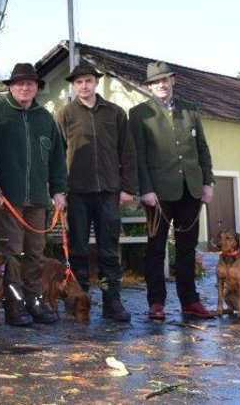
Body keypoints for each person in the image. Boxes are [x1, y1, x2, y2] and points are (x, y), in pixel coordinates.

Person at [129, 61, 215, 320]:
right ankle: (156, 303)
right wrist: (145, 189)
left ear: (173, 81)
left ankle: (190, 301)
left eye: (165, 79)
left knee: (187, 248)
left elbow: (202, 149)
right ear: (149, 86)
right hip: (158, 193)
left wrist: (207, 182)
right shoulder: (139, 113)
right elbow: (138, 156)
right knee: (156, 249)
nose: (162, 84)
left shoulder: (190, 110)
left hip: (191, 189)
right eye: (156, 81)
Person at [0, 62, 67, 327]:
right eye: (19, 83)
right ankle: (13, 305)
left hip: (38, 201)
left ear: (37, 87)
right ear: (10, 86)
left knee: (35, 253)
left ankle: (34, 302)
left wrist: (58, 191)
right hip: (8, 199)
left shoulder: (45, 118)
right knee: (11, 254)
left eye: (30, 84)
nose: (24, 87)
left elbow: (57, 159)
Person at [54, 60, 138, 322]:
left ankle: (112, 303)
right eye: (78, 82)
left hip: (109, 192)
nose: (83, 86)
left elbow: (128, 151)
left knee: (109, 250)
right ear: (74, 86)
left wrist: (127, 188)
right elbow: (57, 155)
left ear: (96, 82)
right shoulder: (65, 114)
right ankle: (78, 301)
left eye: (88, 81)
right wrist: (59, 189)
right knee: (78, 250)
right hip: (76, 193)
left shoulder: (114, 113)